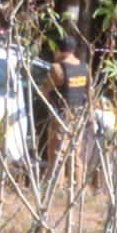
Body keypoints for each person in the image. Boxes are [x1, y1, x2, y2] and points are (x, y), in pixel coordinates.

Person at [41, 34, 95, 185]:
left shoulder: (57, 68)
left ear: (59, 50)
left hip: (62, 114)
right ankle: (77, 186)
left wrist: (51, 106)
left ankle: (55, 187)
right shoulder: (84, 68)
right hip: (79, 114)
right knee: (76, 151)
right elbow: (90, 92)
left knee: (57, 152)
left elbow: (44, 91)